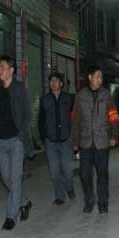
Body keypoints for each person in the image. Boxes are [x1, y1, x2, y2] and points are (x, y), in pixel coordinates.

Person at [0, 55, 32, 231]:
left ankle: (11, 216)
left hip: (16, 140)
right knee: (6, 178)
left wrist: (21, 133)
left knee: (15, 178)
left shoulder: (20, 88)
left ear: (11, 70)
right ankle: (24, 203)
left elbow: (28, 113)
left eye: (2, 67)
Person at [71, 65, 119, 214]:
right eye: (97, 77)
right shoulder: (80, 96)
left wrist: (114, 135)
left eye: (101, 77)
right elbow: (76, 120)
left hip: (102, 141)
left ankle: (103, 203)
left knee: (102, 175)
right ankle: (89, 199)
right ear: (90, 77)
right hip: (85, 142)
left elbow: (113, 115)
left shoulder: (106, 95)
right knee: (85, 174)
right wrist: (75, 142)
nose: (100, 80)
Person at [39, 72, 76, 205]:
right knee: (54, 172)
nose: (53, 83)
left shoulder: (69, 98)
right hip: (51, 142)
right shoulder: (45, 99)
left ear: (61, 84)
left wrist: (74, 137)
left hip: (66, 140)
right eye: (51, 81)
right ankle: (60, 196)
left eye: (56, 81)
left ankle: (70, 187)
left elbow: (75, 118)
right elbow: (41, 121)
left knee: (68, 171)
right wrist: (44, 138)